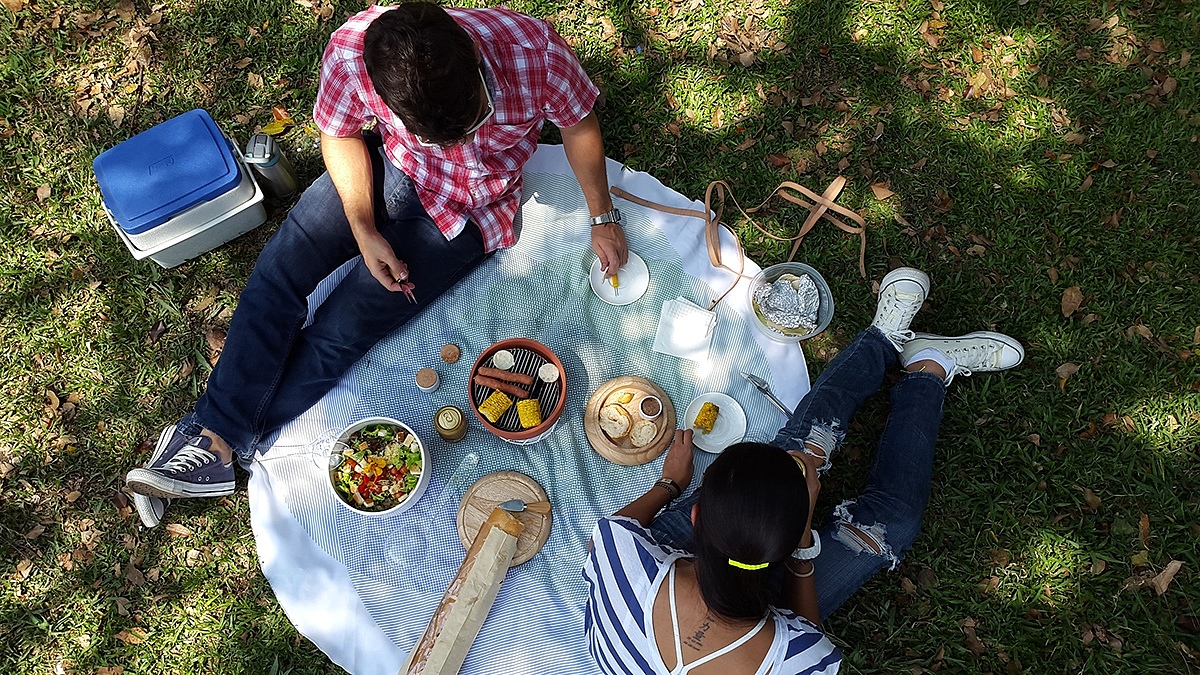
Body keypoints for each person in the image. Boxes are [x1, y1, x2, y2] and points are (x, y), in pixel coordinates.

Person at [125, 2, 628, 527]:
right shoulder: (354, 50)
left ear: (475, 57)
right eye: (439, 136)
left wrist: (602, 215)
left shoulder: (534, 52)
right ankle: (218, 439)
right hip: (387, 169)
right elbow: (339, 133)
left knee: (341, 330)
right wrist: (363, 226)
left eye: (471, 122)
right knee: (277, 279)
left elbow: (579, 125)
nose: (454, 146)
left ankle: (211, 439)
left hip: (471, 210)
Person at [583, 267, 1024, 674]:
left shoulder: (618, 560)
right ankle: (928, 368)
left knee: (795, 457)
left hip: (670, 576)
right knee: (894, 521)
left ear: (696, 516)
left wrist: (670, 483)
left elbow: (617, 528)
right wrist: (802, 549)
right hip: (763, 605)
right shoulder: (800, 660)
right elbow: (806, 632)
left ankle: (882, 340)